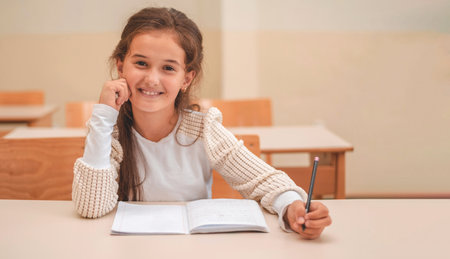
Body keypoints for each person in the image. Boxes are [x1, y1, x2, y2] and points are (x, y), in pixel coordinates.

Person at [72, 7, 331, 240]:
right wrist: (104, 115)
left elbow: (261, 180)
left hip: (194, 248)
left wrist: (293, 207)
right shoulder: (109, 130)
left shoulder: (203, 130)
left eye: (168, 68)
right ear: (120, 66)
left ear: (187, 78)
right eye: (141, 63)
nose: (152, 79)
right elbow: (91, 208)